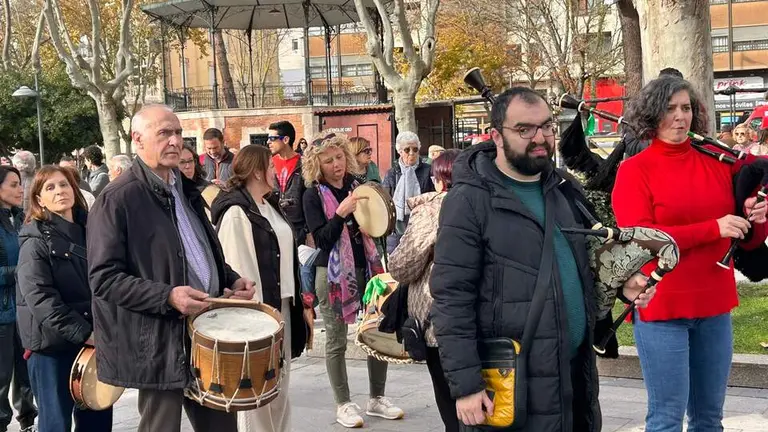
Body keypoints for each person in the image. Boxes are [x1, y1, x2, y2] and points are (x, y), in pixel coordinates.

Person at [430, 87, 657, 432]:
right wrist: (466, 387)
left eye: (546, 127)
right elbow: (451, 298)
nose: (540, 138)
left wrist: (623, 284)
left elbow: (586, 264)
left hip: (573, 375)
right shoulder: (468, 201)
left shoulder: (565, 188)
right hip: (513, 381)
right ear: (496, 136)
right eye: (524, 130)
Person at [86, 104, 255, 432]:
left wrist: (230, 280)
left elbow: (199, 251)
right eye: (164, 133)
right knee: (161, 427)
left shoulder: (187, 188)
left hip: (208, 332)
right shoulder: (117, 199)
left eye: (178, 133)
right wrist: (168, 297)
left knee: (222, 427)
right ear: (137, 139)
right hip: (160, 341)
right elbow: (104, 278)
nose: (175, 141)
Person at [612, 76, 768, 431]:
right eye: (669, 109)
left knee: (710, 420)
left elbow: (746, 235)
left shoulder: (719, 162)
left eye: (686, 108)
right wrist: (712, 228)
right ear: (652, 114)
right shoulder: (635, 170)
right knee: (666, 419)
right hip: (662, 305)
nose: (680, 117)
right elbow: (641, 239)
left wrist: (756, 213)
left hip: (714, 306)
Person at [301, 132, 403, 429]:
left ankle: (377, 398)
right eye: (328, 160)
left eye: (340, 157)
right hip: (331, 275)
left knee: (379, 329)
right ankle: (343, 403)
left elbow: (379, 225)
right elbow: (321, 239)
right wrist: (341, 214)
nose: (337, 164)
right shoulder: (312, 194)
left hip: (368, 268)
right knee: (336, 341)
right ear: (317, 164)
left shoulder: (358, 186)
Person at [211, 144, 310, 432]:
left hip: (283, 306)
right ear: (256, 171)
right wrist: (254, 316)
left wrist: (300, 304)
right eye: (270, 166)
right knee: (256, 395)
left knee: (279, 389)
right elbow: (236, 267)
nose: (276, 171)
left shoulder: (270, 205)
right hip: (258, 314)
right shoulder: (236, 212)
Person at [16, 166, 112, 432]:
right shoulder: (35, 241)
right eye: (50, 188)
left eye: (64, 185)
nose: (59, 191)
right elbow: (40, 298)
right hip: (53, 349)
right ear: (38, 199)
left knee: (97, 418)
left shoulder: (94, 230)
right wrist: (84, 333)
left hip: (94, 343)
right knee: (56, 424)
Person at [388, 149, 459, 431]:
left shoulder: (431, 210)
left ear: (439, 181)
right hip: (482, 319)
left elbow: (403, 266)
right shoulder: (488, 204)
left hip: (437, 320)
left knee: (450, 400)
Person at [0, 167, 37, 432]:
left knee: (26, 372)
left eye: (20, 184)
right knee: (2, 376)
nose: (20, 190)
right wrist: (20, 272)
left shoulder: (22, 218)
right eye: (13, 185)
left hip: (25, 310)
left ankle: (28, 423)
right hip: (2, 312)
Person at [382, 131, 434, 253]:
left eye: (415, 149)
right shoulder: (392, 173)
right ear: (399, 151)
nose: (411, 153)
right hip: (397, 229)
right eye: (407, 150)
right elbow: (385, 202)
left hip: (422, 227)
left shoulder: (428, 171)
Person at [269, 121, 307, 245]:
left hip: (299, 227)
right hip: (275, 224)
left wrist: (307, 230)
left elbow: (310, 197)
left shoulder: (304, 164)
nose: (268, 142)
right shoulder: (269, 163)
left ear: (285, 139)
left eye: (272, 138)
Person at [180, 143, 219, 219]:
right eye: (182, 162)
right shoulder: (170, 192)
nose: (188, 166)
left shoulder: (208, 190)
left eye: (190, 161)